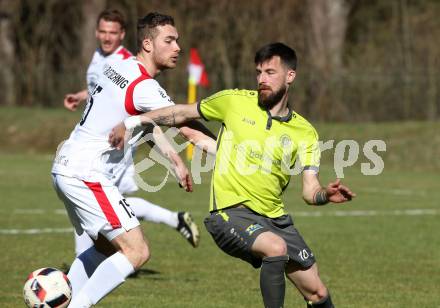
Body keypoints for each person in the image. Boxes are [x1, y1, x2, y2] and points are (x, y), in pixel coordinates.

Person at [110, 42, 356, 308]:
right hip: (230, 214)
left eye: (270, 72)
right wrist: (133, 121)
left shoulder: (305, 132)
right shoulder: (234, 101)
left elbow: (310, 190)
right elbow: (181, 112)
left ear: (290, 76)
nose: (262, 79)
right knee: (275, 249)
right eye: (259, 72)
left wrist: (324, 195)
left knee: (317, 292)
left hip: (276, 220)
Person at [52, 12, 201, 307]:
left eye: (177, 41)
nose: (178, 48)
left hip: (66, 166)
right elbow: (188, 128)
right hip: (88, 172)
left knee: (105, 248)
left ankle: (62, 298)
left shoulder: (117, 65)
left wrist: (174, 158)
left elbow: (147, 119)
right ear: (148, 43)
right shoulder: (145, 85)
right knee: (137, 252)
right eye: (169, 41)